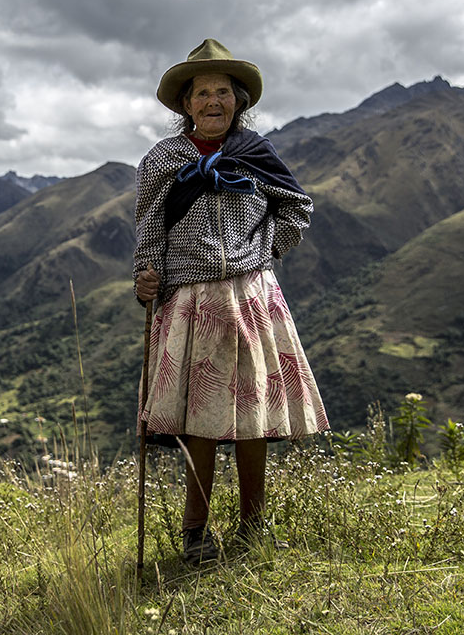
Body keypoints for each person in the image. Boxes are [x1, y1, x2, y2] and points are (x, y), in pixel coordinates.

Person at [133, 38, 329, 564]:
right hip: (190, 301)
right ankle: (196, 535)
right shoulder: (163, 160)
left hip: (251, 297)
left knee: (251, 418)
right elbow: (150, 226)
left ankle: (253, 528)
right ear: (185, 104)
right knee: (200, 420)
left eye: (223, 92)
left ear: (239, 101)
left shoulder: (256, 155)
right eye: (202, 93)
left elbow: (296, 210)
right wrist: (145, 276)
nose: (213, 101)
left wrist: (261, 253)